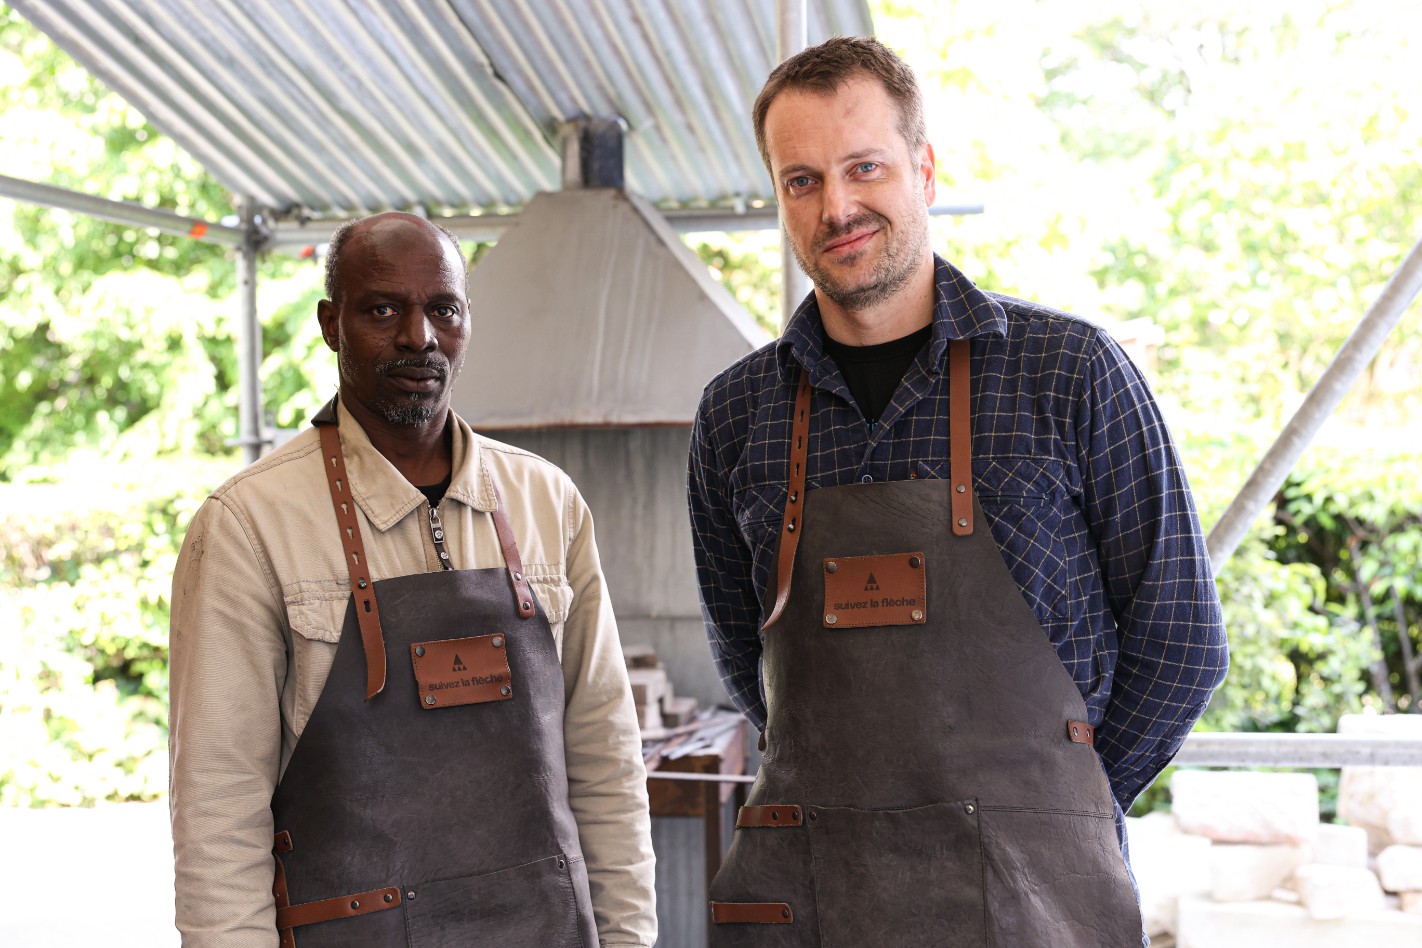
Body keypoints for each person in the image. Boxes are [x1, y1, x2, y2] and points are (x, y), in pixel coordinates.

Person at [687, 36, 1228, 946]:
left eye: (866, 167)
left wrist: (1062, 816)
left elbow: (1181, 642)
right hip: (821, 903)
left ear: (924, 170)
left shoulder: (1071, 373)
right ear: (778, 198)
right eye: (803, 180)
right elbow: (748, 664)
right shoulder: (737, 414)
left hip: (1039, 905)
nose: (839, 206)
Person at [169, 212, 656, 947]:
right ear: (332, 323)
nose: (418, 338)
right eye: (383, 309)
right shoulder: (250, 524)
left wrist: (627, 938)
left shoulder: (547, 504)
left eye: (442, 309)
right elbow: (218, 811)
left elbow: (607, 762)